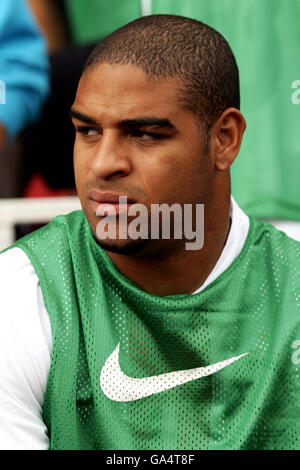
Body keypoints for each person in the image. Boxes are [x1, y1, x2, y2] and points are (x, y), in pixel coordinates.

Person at [0, 14, 299, 450]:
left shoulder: (290, 289)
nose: (103, 163)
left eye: (143, 134)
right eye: (87, 131)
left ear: (225, 139)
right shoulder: (20, 294)